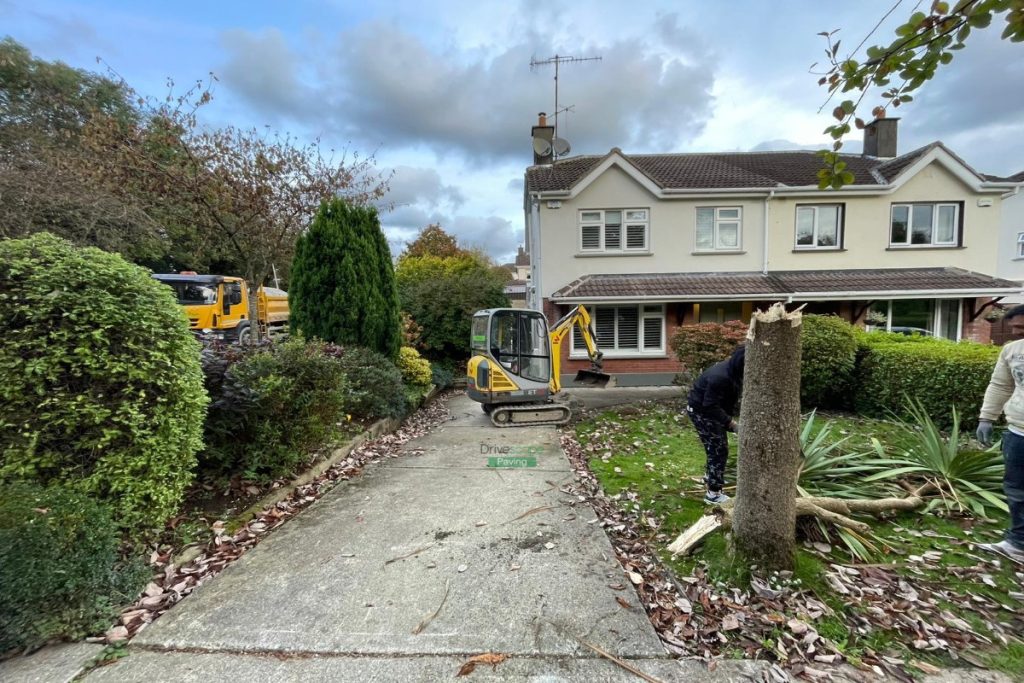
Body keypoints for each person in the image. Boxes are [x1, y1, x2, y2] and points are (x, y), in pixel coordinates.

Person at [976, 304, 1024, 564]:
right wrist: (987, 417)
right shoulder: (1012, 351)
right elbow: (1000, 385)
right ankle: (1018, 543)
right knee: (1016, 489)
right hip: (1018, 433)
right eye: (1014, 327)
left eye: (1022, 328)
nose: (1016, 333)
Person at [687, 345, 745, 504]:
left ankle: (710, 475)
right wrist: (731, 423)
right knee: (718, 449)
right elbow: (710, 405)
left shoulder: (732, 370)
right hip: (701, 412)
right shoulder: (720, 377)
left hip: (709, 409)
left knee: (715, 447)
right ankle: (713, 494)